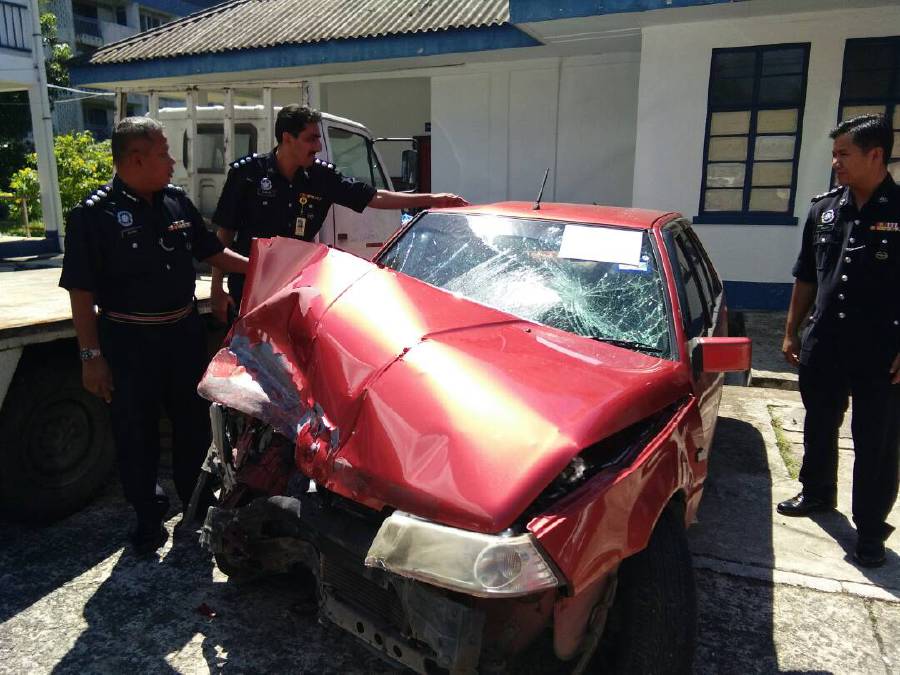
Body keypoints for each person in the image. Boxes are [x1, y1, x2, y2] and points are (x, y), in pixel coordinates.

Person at [59, 117, 249, 555]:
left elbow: (212, 251)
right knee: (135, 432)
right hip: (127, 342)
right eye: (164, 153)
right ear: (137, 159)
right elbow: (81, 290)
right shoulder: (94, 214)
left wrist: (263, 262)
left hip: (181, 335)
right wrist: (91, 356)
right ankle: (147, 515)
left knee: (192, 426)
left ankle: (197, 506)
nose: (173, 162)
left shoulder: (176, 203)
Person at [210, 104, 469, 320]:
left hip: (292, 288)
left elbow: (373, 196)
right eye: (311, 138)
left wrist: (434, 199)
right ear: (288, 138)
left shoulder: (321, 177)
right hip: (249, 288)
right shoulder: (247, 174)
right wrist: (216, 289)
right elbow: (224, 233)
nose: (319, 146)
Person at [778, 114, 899, 568]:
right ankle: (817, 492)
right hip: (825, 340)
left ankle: (869, 531)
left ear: (875, 155)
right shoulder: (825, 208)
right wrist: (793, 329)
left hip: (881, 351)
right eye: (834, 154)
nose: (835, 163)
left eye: (843, 154)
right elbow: (806, 275)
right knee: (819, 422)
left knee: (877, 442)